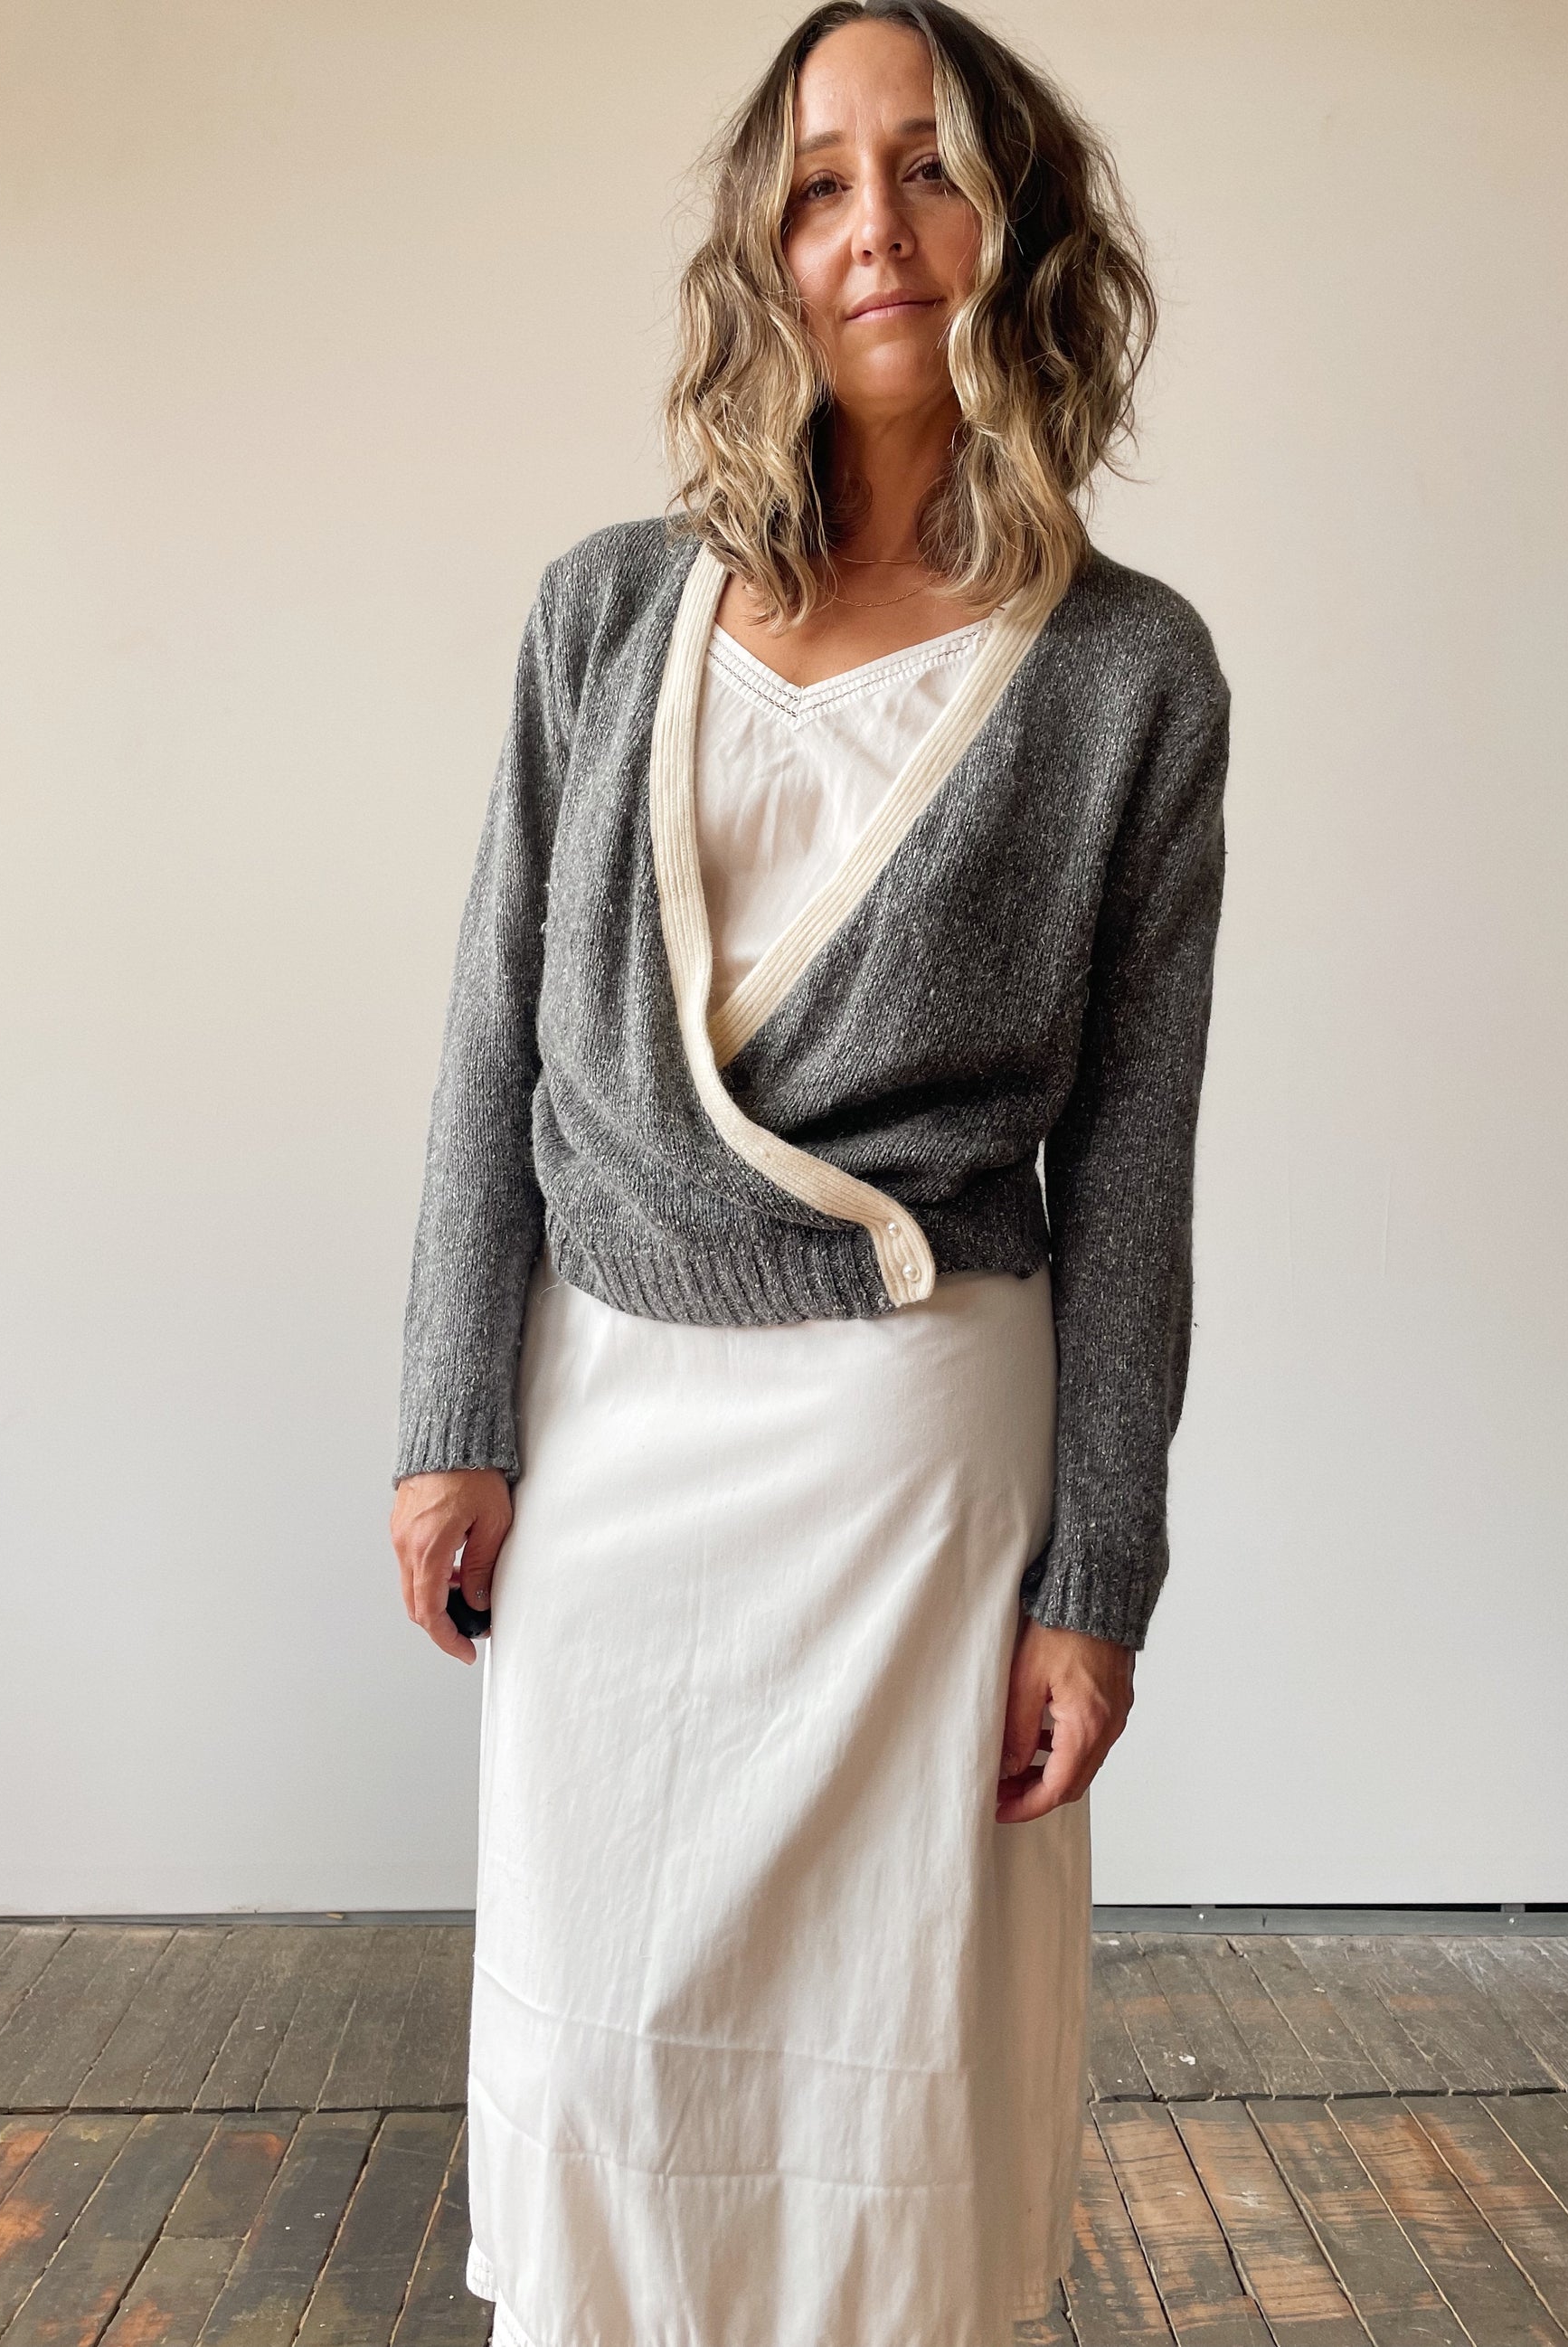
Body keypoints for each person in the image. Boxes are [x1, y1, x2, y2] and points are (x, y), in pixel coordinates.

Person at [389, 4, 1230, 2342]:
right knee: (606, 2046)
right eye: (821, 182)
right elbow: (486, 1036)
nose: (876, 229)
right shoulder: (601, 610)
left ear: (1021, 228)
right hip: (609, 1417)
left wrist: (1099, 1579)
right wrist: (451, 1411)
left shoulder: (1130, 676)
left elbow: (1134, 1165)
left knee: (889, 2066)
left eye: (932, 169)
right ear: (762, 246)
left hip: (911, 1455)